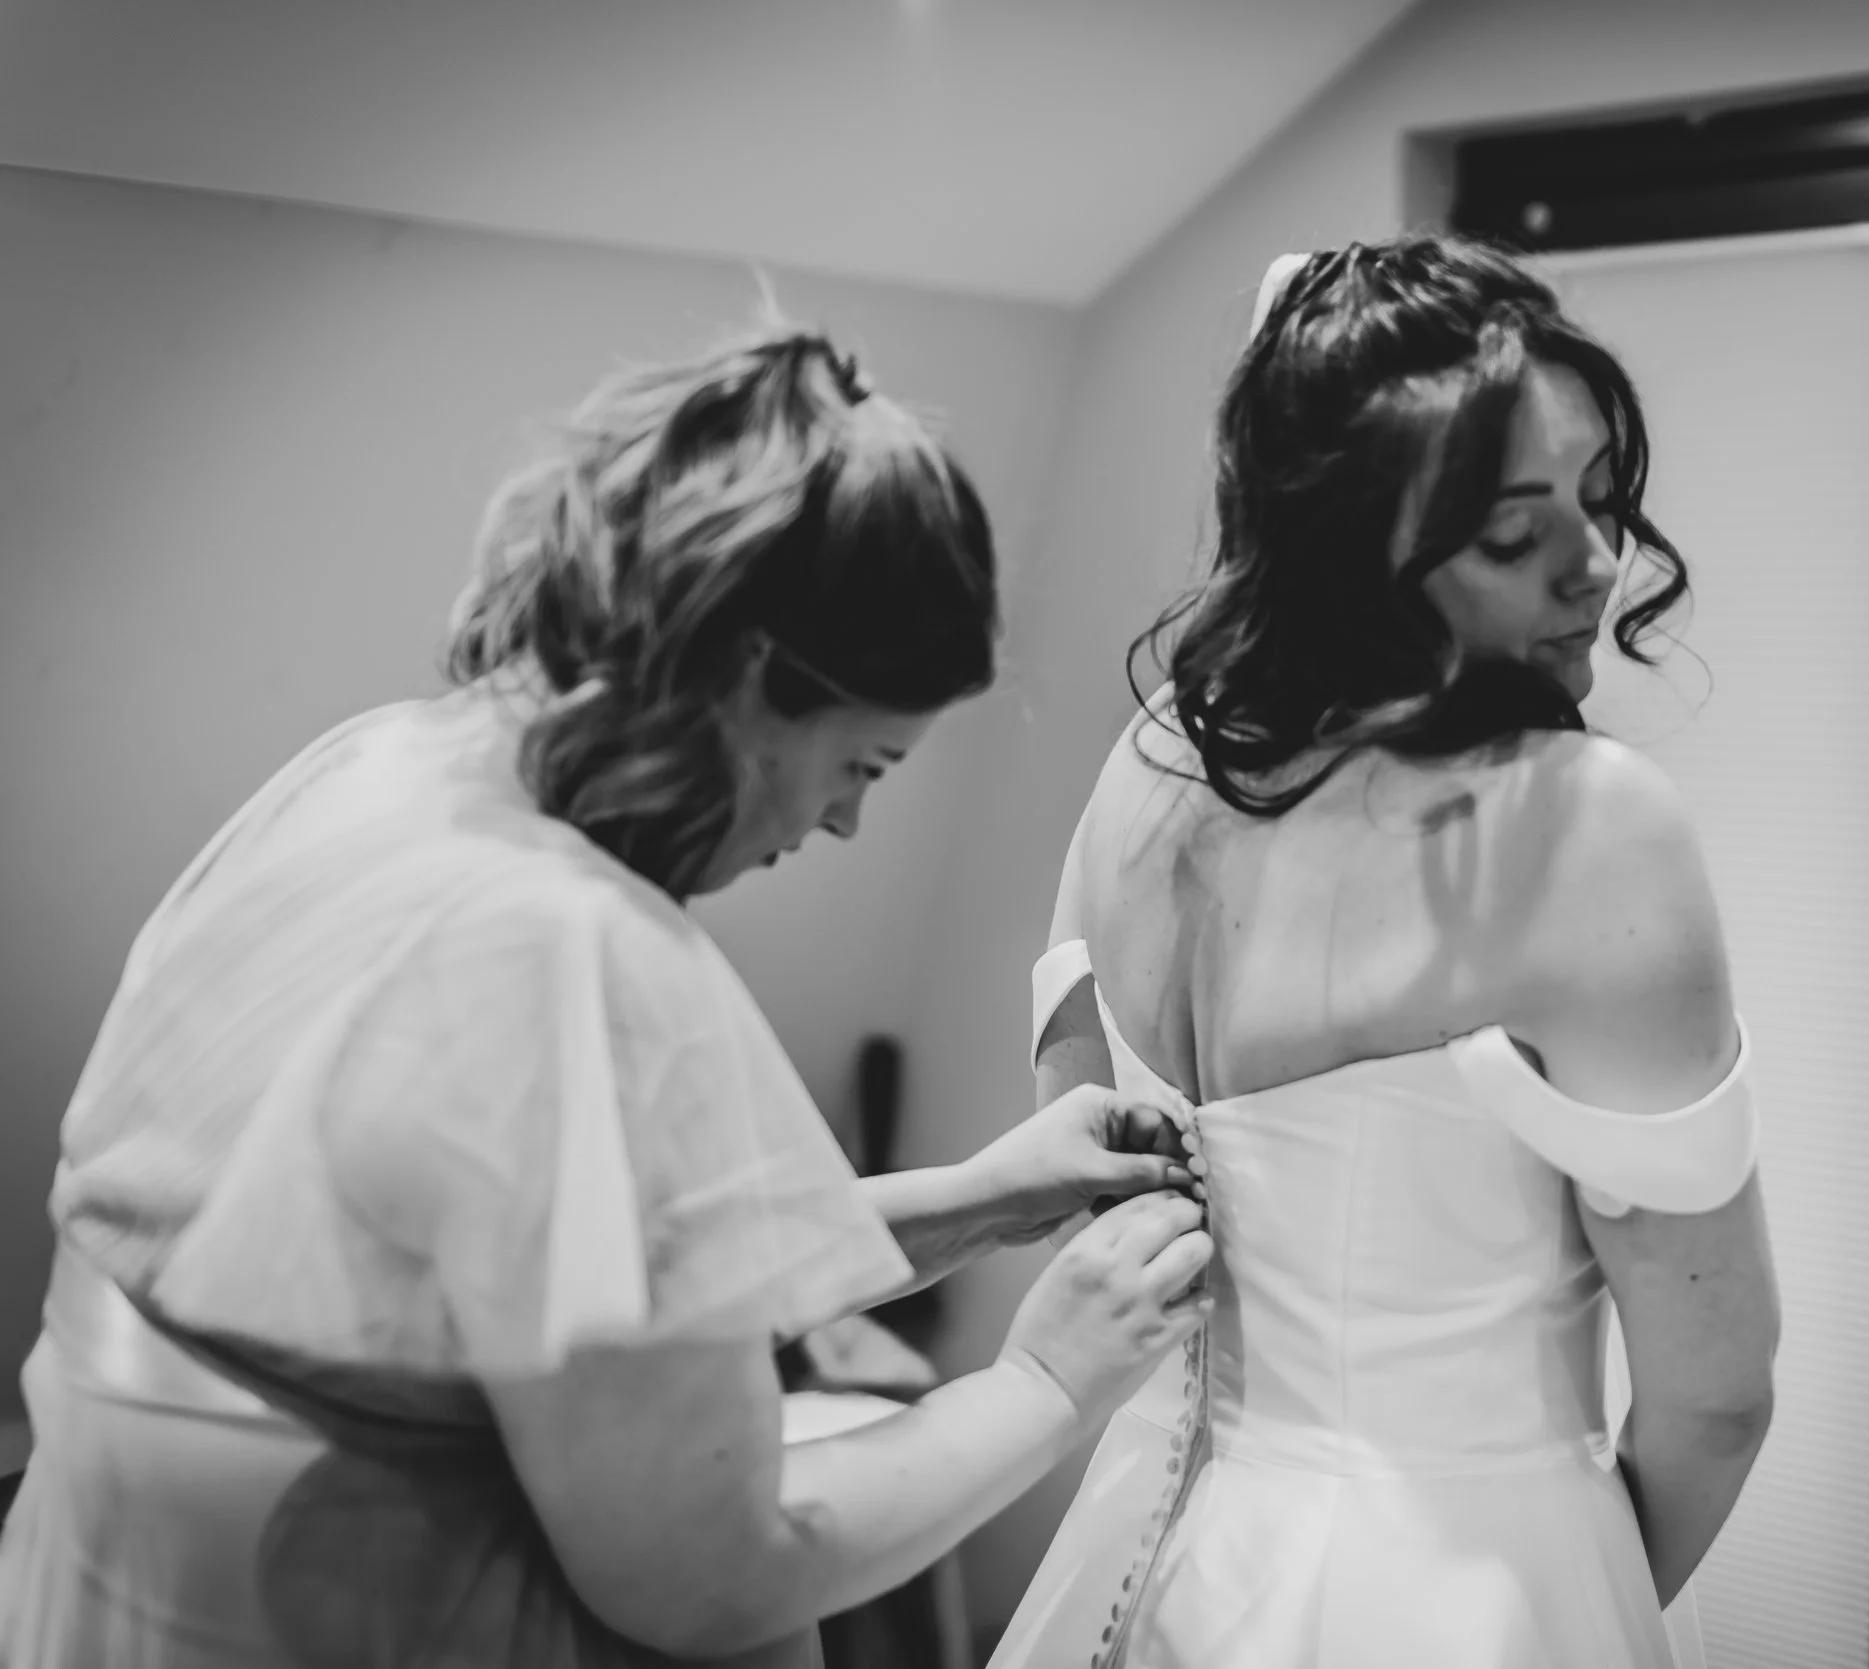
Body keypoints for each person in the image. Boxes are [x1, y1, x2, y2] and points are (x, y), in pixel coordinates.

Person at [0, 324, 1214, 1668]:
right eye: (861, 766)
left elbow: (551, 1284)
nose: (846, 825)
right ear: (758, 686)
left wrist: (985, 1196)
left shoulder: (369, 774)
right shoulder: (587, 958)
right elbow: (706, 1578)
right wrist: (1048, 1382)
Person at [990, 236, 1780, 1669]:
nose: (1596, 565)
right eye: (1509, 532)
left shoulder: (1152, 758)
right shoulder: (1581, 822)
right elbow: (1716, 1399)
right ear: (1350, 538)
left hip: (1153, 1560)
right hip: (1459, 1588)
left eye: (1601, 500)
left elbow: (1078, 1152)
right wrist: (1573, 1599)